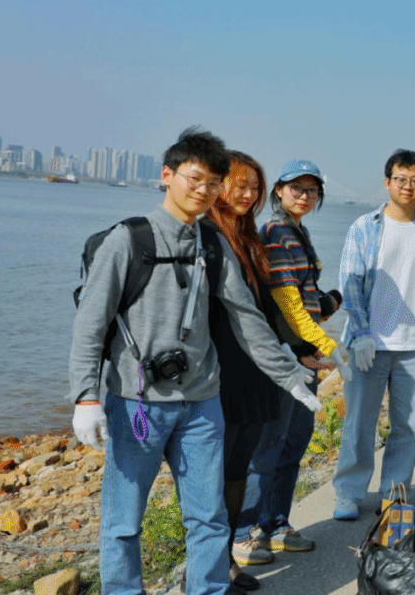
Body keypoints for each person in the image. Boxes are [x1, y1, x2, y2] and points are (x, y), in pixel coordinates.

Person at [69, 128, 319, 595]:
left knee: (209, 518)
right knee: (123, 521)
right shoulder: (128, 240)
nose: (203, 190)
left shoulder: (213, 244)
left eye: (212, 182)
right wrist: (85, 397)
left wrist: (289, 376)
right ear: (167, 175)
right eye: (194, 178)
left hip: (202, 405)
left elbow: (247, 320)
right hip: (137, 402)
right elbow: (90, 324)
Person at [206, 151, 324, 590]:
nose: (247, 194)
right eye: (240, 185)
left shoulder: (256, 235)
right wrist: (298, 349)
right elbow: (276, 305)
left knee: (277, 447)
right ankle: (238, 539)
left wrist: (307, 341)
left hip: (276, 359)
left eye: (312, 190)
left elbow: (274, 303)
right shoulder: (257, 233)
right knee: (253, 453)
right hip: (245, 365)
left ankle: (265, 527)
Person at [333, 149, 415, 521]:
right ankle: (348, 494)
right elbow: (350, 284)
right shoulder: (364, 227)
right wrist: (361, 334)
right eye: (400, 179)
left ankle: (395, 494)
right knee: (358, 423)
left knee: (409, 426)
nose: (407, 187)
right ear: (387, 182)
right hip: (369, 344)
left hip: (414, 345)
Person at [234, 159, 340, 564]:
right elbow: (287, 304)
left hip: (305, 355)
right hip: (286, 357)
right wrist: (326, 347)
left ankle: (276, 523)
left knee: (294, 442)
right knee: (268, 447)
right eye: (297, 188)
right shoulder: (276, 233)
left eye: (312, 190)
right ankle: (246, 531)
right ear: (278, 190)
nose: (304, 196)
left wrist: (327, 307)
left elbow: (305, 299)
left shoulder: (298, 232)